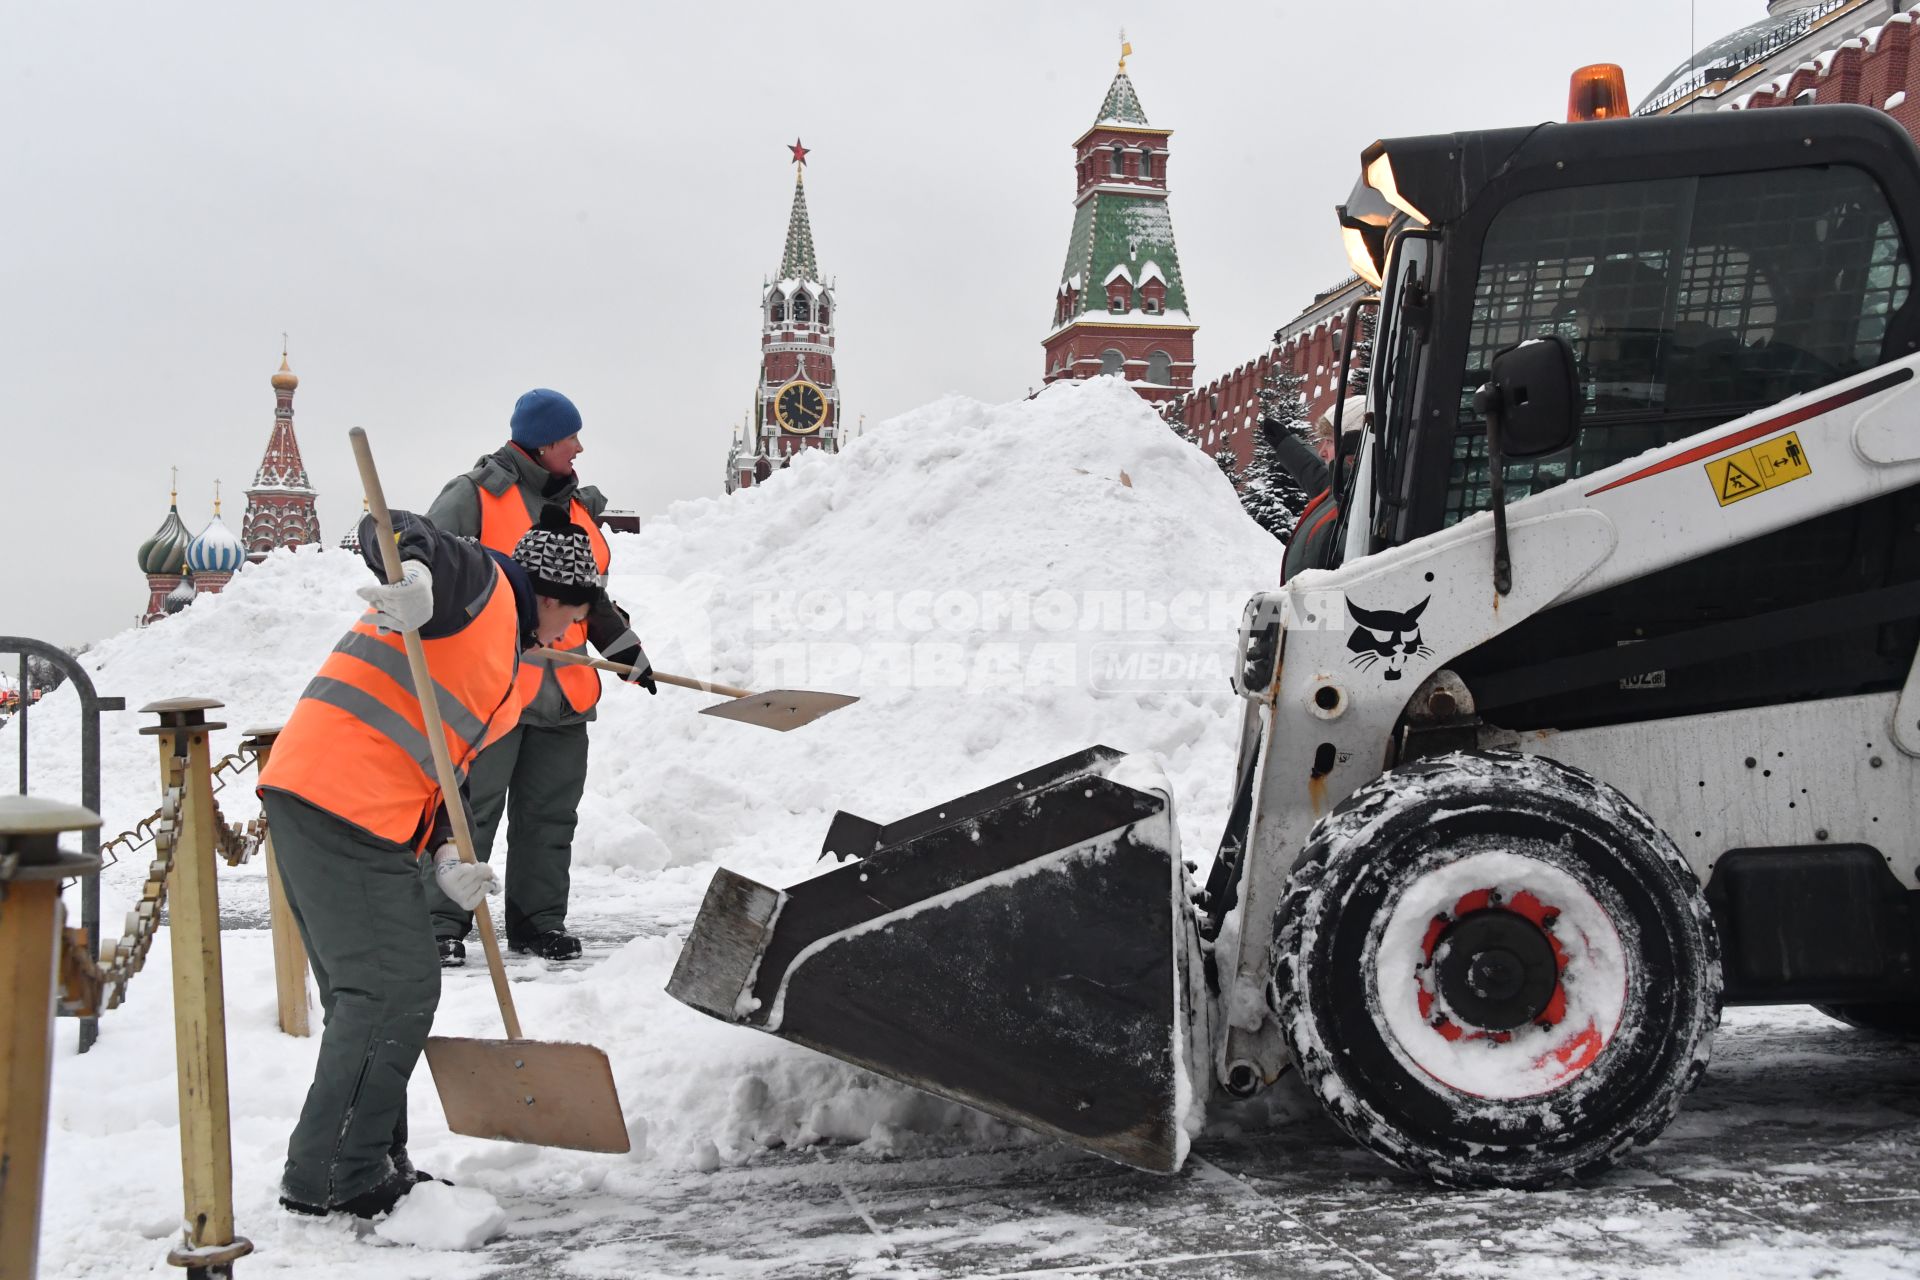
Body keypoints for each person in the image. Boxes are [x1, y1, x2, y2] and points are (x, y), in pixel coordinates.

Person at [256, 506, 608, 1219]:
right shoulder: (482, 583)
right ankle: (332, 1176)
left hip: (355, 808)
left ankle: (371, 1160)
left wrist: (448, 852)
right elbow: (393, 524)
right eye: (572, 615)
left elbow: (448, 766)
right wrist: (410, 575)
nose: (570, 632)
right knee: (392, 990)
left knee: (378, 993)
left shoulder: (504, 667)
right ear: (550, 596)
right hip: (339, 799)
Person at [423, 388, 653, 966]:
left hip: (565, 697)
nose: (579, 447)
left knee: (551, 817)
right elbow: (427, 565)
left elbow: (589, 597)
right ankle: (439, 924)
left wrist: (625, 649)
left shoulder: (576, 509)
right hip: (491, 692)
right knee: (468, 814)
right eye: (570, 437)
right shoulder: (475, 496)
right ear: (544, 441)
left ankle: (538, 923)